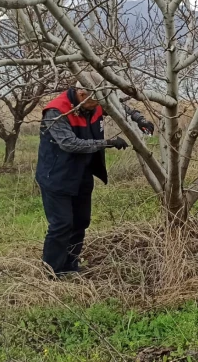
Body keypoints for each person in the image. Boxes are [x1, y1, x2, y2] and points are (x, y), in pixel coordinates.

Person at [36, 74, 154, 276]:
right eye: (95, 101)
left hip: (82, 173)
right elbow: (69, 144)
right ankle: (52, 272)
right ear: (81, 94)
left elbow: (119, 107)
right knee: (62, 224)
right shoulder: (57, 110)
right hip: (56, 175)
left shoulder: (96, 100)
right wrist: (106, 143)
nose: (99, 105)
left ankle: (70, 267)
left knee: (81, 221)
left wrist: (139, 119)